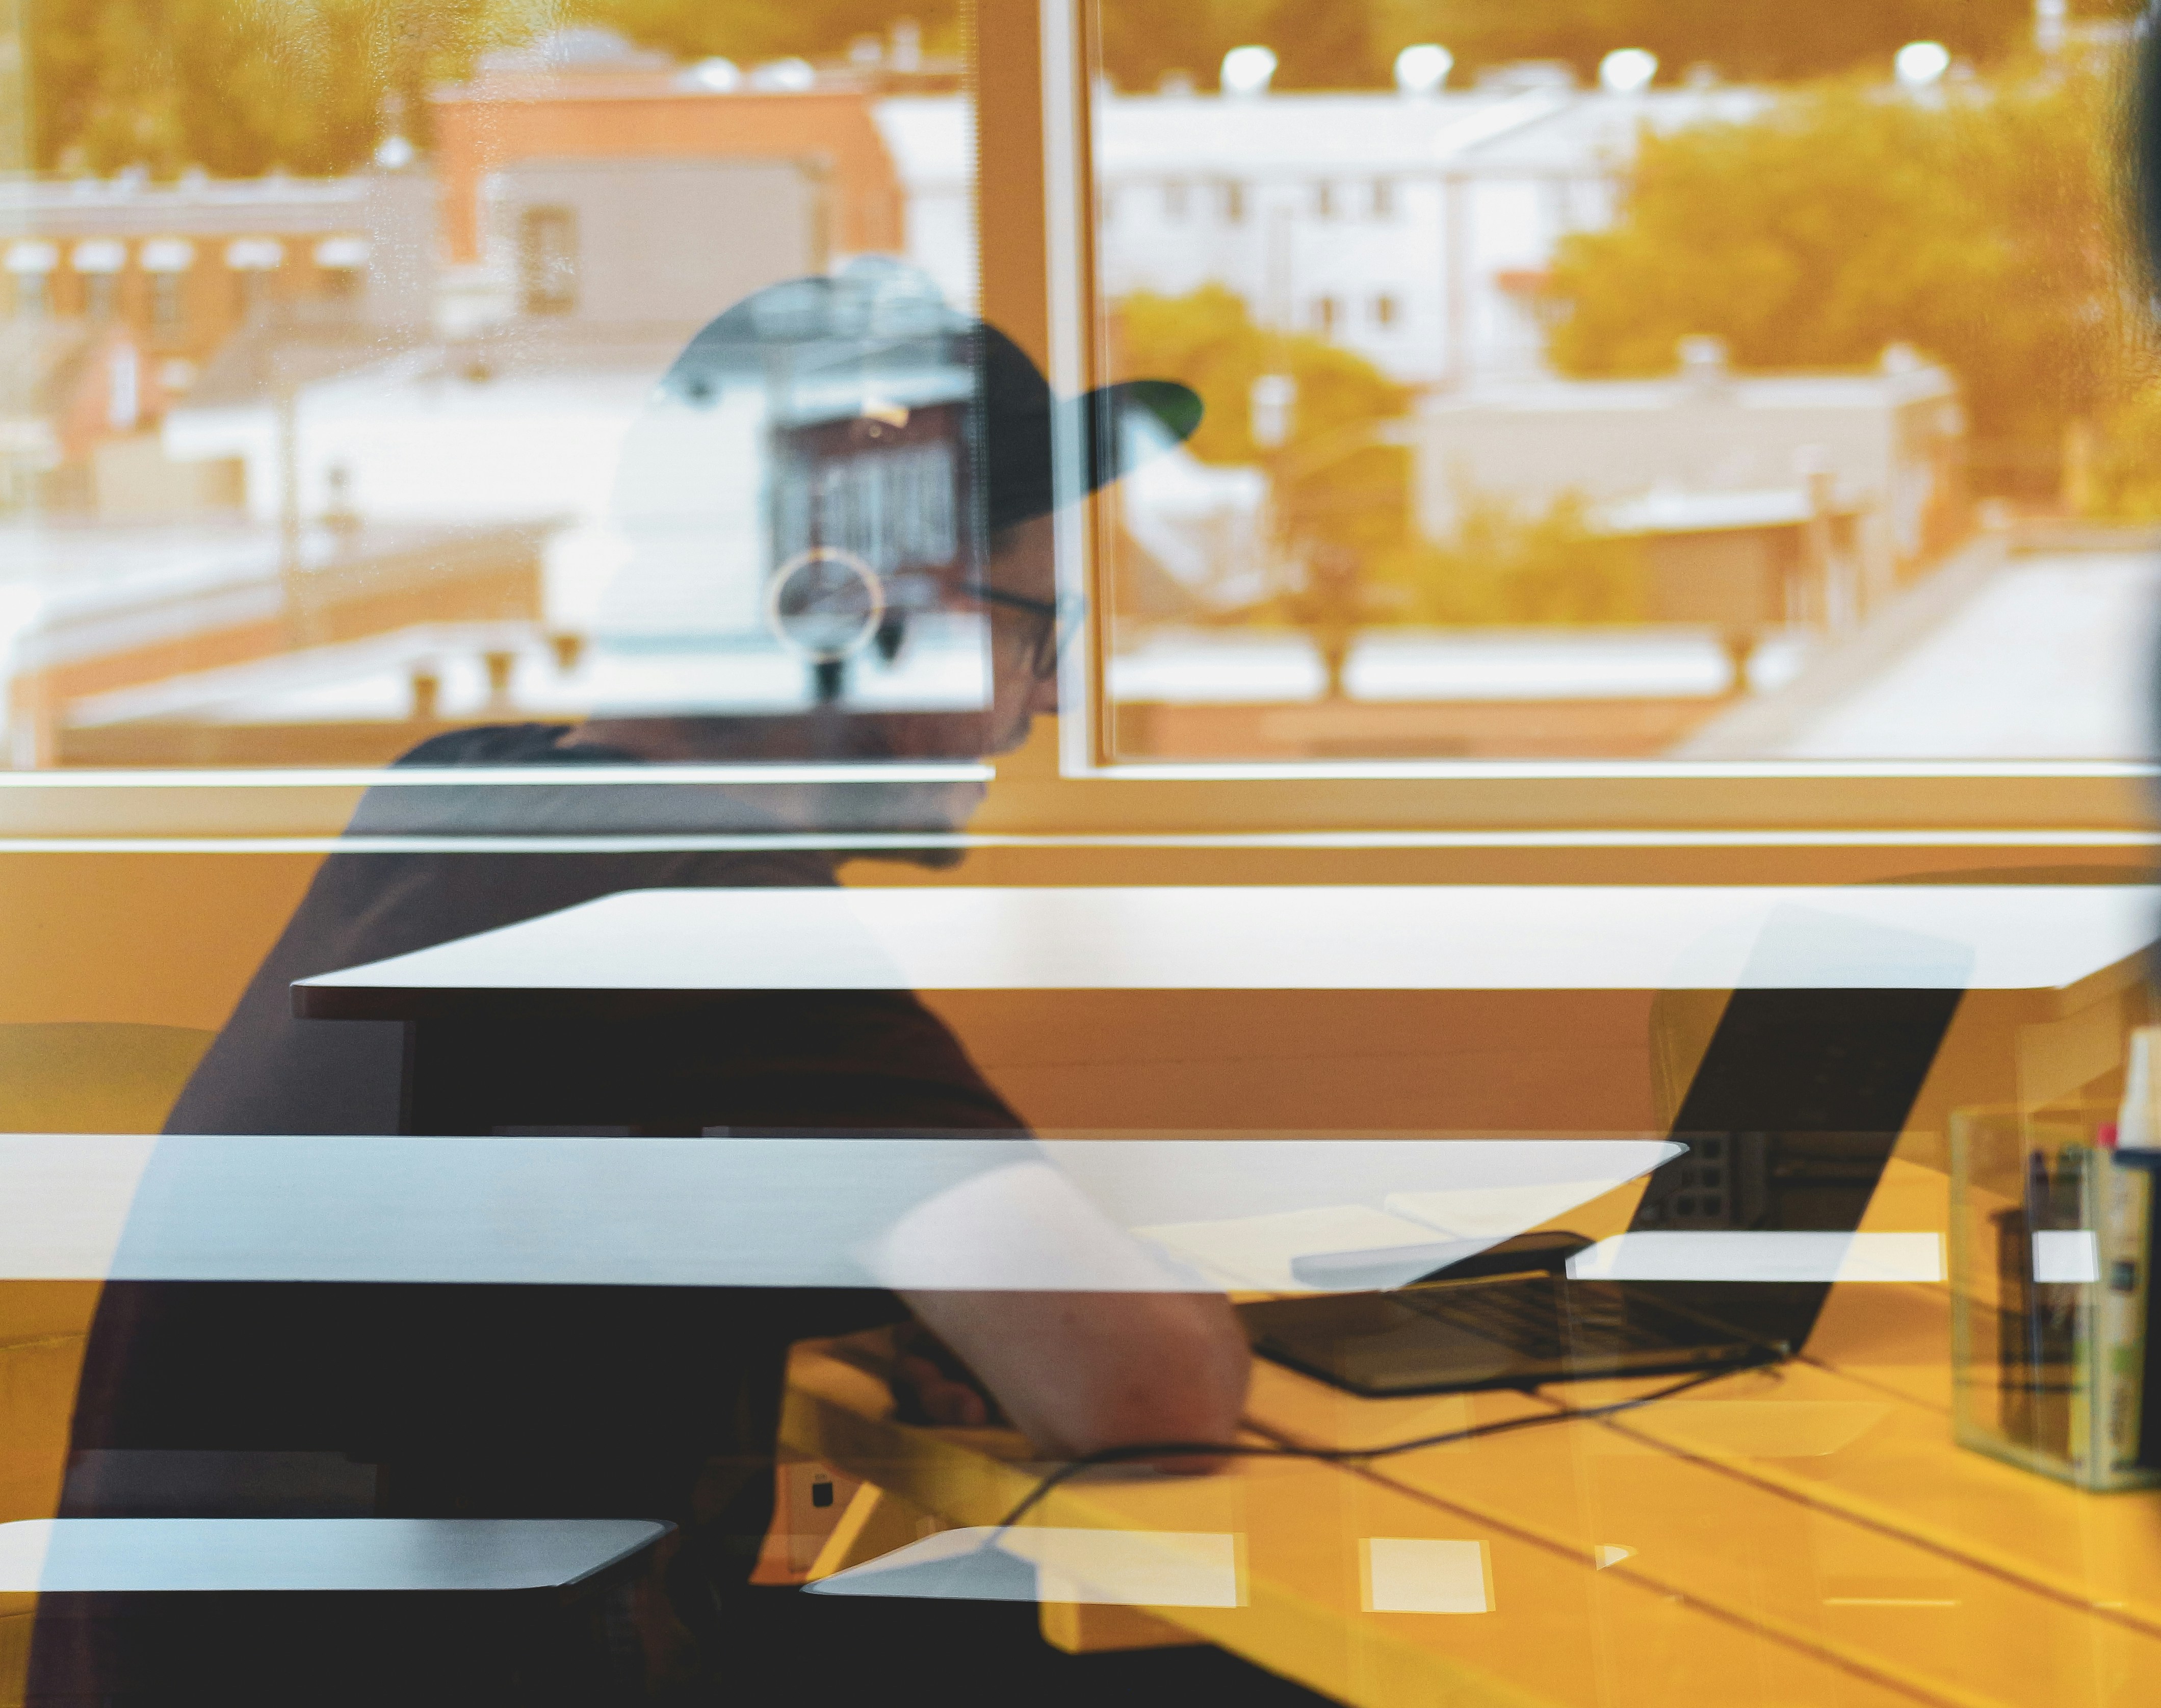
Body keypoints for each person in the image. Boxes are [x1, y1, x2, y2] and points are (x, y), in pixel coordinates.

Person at [34, 270, 1265, 1705]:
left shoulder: (466, 804)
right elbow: (1146, 1394)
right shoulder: (690, 922)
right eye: (1021, 630)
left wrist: (931, 1312)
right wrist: (1100, 1314)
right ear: (833, 605)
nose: (1043, 699)